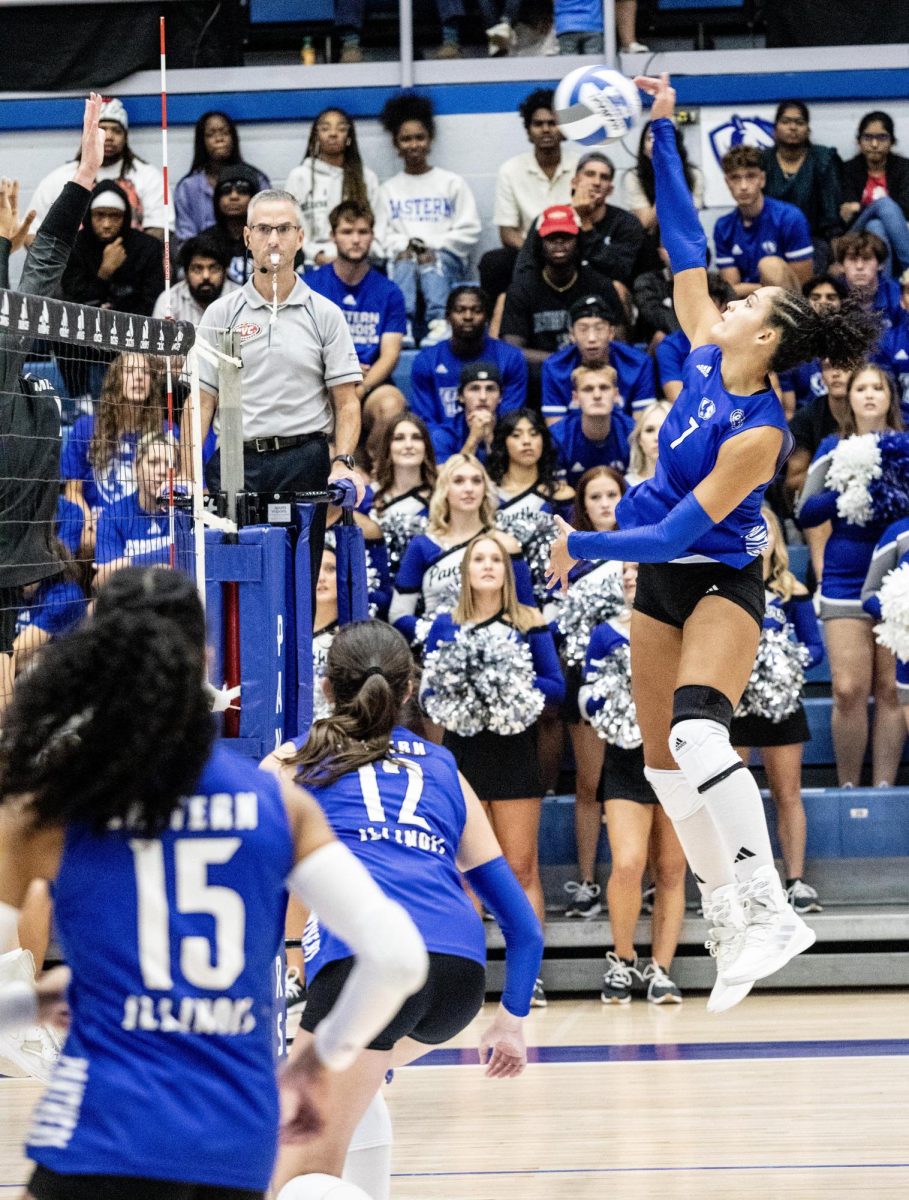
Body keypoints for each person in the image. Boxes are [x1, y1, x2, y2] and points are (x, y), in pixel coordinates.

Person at [547, 73, 878, 1013]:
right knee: (659, 769)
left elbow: (687, 529)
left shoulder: (760, 427)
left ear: (767, 340)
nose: (721, 302)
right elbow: (685, 242)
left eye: (742, 306)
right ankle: (729, 917)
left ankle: (769, 903)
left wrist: (588, 543)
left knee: (698, 730)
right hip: (657, 580)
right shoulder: (699, 345)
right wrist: (661, 132)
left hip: (719, 582)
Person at [0, 567, 429, 1199]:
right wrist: (317, 1061)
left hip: (105, 1130)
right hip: (237, 1131)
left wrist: (30, 1005)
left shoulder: (53, 805)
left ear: (95, 653)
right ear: (202, 658)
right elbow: (397, 959)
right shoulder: (278, 803)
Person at [266, 620, 542, 1198]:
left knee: (293, 1177)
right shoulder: (445, 768)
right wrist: (511, 1021)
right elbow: (522, 926)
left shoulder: (294, 759)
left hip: (369, 971)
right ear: (409, 689)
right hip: (457, 983)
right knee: (358, 1084)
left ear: (326, 686)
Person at [188, 188, 365, 609]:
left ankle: (294, 676)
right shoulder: (220, 314)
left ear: (300, 237)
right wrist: (188, 469)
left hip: (303, 460)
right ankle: (230, 676)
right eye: (264, 229)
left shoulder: (325, 314)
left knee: (297, 591)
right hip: (234, 460)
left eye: (283, 229)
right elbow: (202, 403)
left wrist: (342, 462)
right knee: (231, 593)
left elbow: (347, 402)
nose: (273, 239)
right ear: (247, 237)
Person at [422, 534, 562, 1008]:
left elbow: (556, 687)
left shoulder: (530, 622)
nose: (486, 567)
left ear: (508, 571)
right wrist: (460, 690)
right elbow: (427, 692)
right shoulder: (445, 625)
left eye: (495, 560)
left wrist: (510, 686)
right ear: (464, 572)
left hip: (514, 752)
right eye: (477, 559)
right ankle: (468, 976)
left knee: (521, 865)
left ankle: (529, 978)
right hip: (464, 755)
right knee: (465, 870)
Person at [0, 97, 105, 716]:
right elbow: (39, 268)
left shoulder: (23, 361)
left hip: (24, 556)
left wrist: (86, 178)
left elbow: (39, 270)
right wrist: (83, 179)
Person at [579, 562, 687, 1005]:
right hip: (627, 759)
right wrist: (615, 697)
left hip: (680, 761)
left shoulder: (684, 627)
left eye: (638, 569)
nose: (628, 576)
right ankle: (622, 961)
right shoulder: (605, 633)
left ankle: (661, 969)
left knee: (672, 868)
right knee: (627, 862)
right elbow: (586, 699)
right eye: (624, 570)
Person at [796, 364, 905, 788]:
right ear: (850, 397)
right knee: (847, 689)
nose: (870, 395)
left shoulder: (906, 445)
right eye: (862, 387)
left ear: (890, 397)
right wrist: (848, 491)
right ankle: (846, 786)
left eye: (879, 387)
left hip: (899, 577)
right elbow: (805, 511)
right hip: (845, 575)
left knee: (891, 689)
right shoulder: (832, 446)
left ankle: (882, 788)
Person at [729, 507, 825, 915]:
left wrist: (782, 661)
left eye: (764, 530)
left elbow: (817, 649)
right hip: (732, 704)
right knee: (731, 797)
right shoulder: (725, 589)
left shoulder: (793, 591)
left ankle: (795, 881)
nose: (758, 536)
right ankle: (737, 885)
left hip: (780, 703)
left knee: (787, 793)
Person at [547, 466, 626, 920]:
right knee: (589, 784)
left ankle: (648, 879)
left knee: (644, 784)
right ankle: (588, 882)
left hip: (640, 675)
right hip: (587, 677)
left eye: (612, 494)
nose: (603, 504)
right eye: (594, 496)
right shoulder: (569, 553)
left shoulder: (644, 546)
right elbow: (555, 617)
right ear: (582, 504)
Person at [389, 454, 532, 645]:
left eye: (476, 481)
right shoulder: (423, 545)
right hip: (439, 651)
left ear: (485, 489)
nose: (469, 488)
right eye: (458, 481)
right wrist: (442, 635)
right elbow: (398, 614)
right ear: (445, 489)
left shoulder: (504, 544)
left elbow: (527, 611)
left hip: (497, 650)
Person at [374, 93, 481, 347]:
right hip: (404, 261)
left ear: (430, 140)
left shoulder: (451, 183)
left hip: (444, 259)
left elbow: (469, 230)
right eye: (406, 139)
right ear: (397, 145)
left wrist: (430, 244)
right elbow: (379, 238)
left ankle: (439, 322)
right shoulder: (387, 190)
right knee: (405, 258)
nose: (414, 145)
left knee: (429, 259)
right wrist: (408, 246)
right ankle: (403, 324)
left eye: (419, 137)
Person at [307, 200, 407, 429]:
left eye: (363, 232)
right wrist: (338, 371)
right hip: (322, 382)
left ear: (372, 236)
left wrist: (360, 389)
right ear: (333, 236)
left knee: (392, 404)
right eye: (347, 232)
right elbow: (301, 346)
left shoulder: (390, 291)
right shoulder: (309, 287)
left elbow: (390, 355)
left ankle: (374, 462)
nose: (355, 239)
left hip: (370, 384)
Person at [500, 206, 625, 384]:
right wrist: (567, 362)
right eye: (551, 237)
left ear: (578, 240)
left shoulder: (600, 284)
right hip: (543, 375)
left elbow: (619, 342)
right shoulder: (522, 288)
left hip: (595, 374)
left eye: (566, 237)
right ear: (539, 243)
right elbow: (512, 350)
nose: (559, 242)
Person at [480, 89, 579, 303]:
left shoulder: (580, 167)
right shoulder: (510, 170)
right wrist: (536, 251)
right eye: (538, 124)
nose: (545, 130)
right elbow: (507, 232)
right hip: (528, 251)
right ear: (528, 131)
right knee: (493, 262)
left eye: (552, 123)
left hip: (572, 250)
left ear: (563, 129)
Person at [61, 351, 167, 549]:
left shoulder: (167, 432)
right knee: (85, 540)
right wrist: (88, 521)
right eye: (130, 371)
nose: (139, 377)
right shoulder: (85, 428)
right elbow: (73, 491)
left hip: (145, 519)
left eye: (145, 372)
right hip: (98, 518)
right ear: (115, 380)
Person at [28, 97, 167, 240]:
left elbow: (160, 228)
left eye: (116, 130)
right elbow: (32, 232)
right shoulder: (60, 178)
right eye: (101, 130)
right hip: (73, 261)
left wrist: (130, 259)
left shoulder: (149, 176)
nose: (109, 137)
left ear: (126, 137)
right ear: (87, 136)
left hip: (132, 260)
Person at [513, 155, 645, 293]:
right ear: (574, 182)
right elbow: (524, 269)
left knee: (619, 289)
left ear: (610, 189)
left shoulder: (626, 223)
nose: (597, 182)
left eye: (604, 177)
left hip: (603, 295)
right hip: (554, 291)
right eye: (590, 174)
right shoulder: (549, 218)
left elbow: (620, 272)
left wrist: (585, 223)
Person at [409, 285, 528, 433]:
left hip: (495, 443)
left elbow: (510, 420)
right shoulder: (426, 360)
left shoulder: (511, 358)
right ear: (447, 317)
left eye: (476, 311)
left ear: (487, 318)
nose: (468, 316)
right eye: (460, 310)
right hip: (442, 447)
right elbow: (425, 423)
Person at [286, 108, 380, 271]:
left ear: (349, 137)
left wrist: (357, 254)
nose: (333, 134)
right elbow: (291, 225)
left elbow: (380, 225)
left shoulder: (366, 177)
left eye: (341, 129)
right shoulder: (299, 176)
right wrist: (316, 255)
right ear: (315, 136)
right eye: (325, 128)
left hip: (359, 262)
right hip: (313, 263)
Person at [714, 144, 815, 296]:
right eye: (735, 178)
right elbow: (731, 289)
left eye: (751, 176)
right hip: (745, 306)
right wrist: (768, 287)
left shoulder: (790, 217)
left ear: (762, 179)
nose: (743, 186)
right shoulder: (723, 226)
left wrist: (765, 288)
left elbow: (803, 285)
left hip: (787, 306)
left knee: (769, 265)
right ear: (727, 182)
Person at [541, 292, 657, 421]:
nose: (592, 338)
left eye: (599, 328)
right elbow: (556, 429)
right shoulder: (554, 367)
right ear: (572, 334)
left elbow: (642, 427)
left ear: (611, 332)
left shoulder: (638, 363)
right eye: (583, 329)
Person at [60, 180, 164, 316]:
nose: (107, 224)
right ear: (88, 215)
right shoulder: (74, 246)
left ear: (125, 217)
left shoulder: (148, 247)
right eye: (100, 215)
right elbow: (72, 300)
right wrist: (104, 273)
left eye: (115, 216)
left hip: (136, 326)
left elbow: (153, 301)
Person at [173, 110, 270, 245]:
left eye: (224, 132)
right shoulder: (187, 187)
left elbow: (267, 227)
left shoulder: (257, 180)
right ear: (202, 142)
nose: (219, 139)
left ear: (233, 138)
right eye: (211, 134)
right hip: (204, 259)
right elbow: (185, 240)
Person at [760, 101, 842, 255]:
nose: (793, 127)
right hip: (769, 239)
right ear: (775, 129)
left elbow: (831, 216)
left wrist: (838, 260)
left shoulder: (823, 159)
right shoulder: (762, 161)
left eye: (799, 122)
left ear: (808, 130)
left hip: (813, 240)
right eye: (785, 122)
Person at [93, 432, 177, 583]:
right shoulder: (112, 516)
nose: (162, 471)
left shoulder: (185, 511)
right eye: (153, 463)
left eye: (170, 464)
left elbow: (196, 559)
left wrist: (127, 564)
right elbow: (103, 580)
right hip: (130, 602)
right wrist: (163, 562)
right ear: (136, 468)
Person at [840, 110, 909, 277]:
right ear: (859, 141)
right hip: (855, 233)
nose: (874, 144)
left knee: (876, 226)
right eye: (868, 137)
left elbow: (906, 209)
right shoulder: (847, 169)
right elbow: (846, 214)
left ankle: (886, 292)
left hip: (894, 233)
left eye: (882, 137)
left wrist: (861, 207)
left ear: (892, 141)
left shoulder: (904, 168)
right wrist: (871, 208)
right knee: (885, 205)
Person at [655, 273, 736, 403]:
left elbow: (770, 394)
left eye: (705, 305)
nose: (695, 310)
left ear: (723, 307)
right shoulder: (670, 347)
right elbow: (678, 400)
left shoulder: (740, 341)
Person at [549, 362, 634, 487]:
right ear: (576, 398)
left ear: (616, 395)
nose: (597, 395)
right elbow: (560, 494)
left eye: (604, 388)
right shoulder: (558, 437)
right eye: (588, 389)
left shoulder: (633, 433)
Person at [488, 407, 574, 521]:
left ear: (543, 441)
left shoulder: (562, 494)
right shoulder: (488, 494)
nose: (527, 441)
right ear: (503, 442)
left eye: (534, 434)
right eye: (516, 435)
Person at [777, 274, 847, 414]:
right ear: (806, 304)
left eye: (831, 297)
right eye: (815, 298)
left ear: (842, 303)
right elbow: (789, 412)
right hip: (806, 426)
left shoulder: (856, 344)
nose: (823, 302)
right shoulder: (791, 349)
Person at [152, 231, 237, 323]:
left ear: (225, 271)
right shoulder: (169, 301)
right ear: (185, 273)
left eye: (214, 269)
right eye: (197, 269)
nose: (206, 276)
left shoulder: (239, 300)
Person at [199, 163, 263, 286]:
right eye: (226, 191)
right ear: (217, 199)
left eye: (242, 191)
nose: (234, 196)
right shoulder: (206, 241)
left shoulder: (269, 237)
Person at [429, 362, 504, 464]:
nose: (483, 397)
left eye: (490, 389)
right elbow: (446, 478)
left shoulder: (512, 431)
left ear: (500, 397)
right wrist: (473, 440)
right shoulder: (443, 435)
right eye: (474, 389)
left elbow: (515, 477)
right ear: (461, 396)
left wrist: (490, 440)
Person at [833, 230, 903, 330]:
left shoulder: (897, 295)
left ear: (881, 264)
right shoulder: (830, 295)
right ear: (841, 266)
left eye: (867, 258)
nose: (859, 266)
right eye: (852, 259)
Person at [625, 399, 671, 487]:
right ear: (639, 440)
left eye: (665, 429)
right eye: (649, 430)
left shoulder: (694, 484)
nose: (657, 437)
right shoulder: (624, 486)